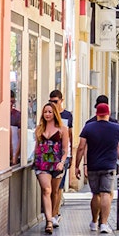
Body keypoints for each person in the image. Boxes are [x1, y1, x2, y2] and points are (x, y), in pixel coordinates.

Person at [74, 102, 119, 233]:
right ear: (108, 114)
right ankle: (104, 224)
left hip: (93, 166)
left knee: (95, 194)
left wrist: (77, 165)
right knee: (106, 193)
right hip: (109, 166)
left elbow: (81, 147)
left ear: (96, 114)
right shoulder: (117, 128)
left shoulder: (88, 127)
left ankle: (94, 222)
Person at [33, 102, 70, 235]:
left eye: (50, 112)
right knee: (46, 190)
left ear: (54, 113)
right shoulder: (39, 129)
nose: (47, 114)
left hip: (56, 163)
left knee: (55, 192)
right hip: (42, 163)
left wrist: (62, 162)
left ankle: (53, 215)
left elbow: (65, 149)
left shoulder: (63, 129)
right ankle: (49, 221)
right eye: (45, 112)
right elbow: (37, 146)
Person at [47, 90, 74, 226]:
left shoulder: (67, 116)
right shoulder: (48, 115)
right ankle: (51, 214)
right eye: (50, 102)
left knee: (58, 187)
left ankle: (55, 214)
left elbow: (70, 134)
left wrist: (70, 155)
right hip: (49, 156)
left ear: (61, 101)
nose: (53, 104)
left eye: (55, 102)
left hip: (63, 156)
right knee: (49, 189)